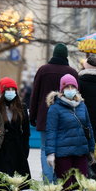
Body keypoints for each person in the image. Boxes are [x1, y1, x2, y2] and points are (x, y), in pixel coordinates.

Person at [29, 43, 78, 183]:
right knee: (62, 149)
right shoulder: (72, 72)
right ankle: (59, 181)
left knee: (45, 148)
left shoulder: (43, 70)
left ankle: (48, 182)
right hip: (67, 117)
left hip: (45, 116)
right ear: (66, 55)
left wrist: (33, 116)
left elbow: (35, 95)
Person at [45, 74, 95, 191]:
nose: (70, 89)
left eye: (73, 86)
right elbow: (51, 131)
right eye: (67, 87)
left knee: (81, 183)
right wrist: (50, 153)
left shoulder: (81, 105)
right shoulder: (55, 108)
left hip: (80, 151)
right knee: (65, 186)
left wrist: (92, 149)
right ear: (62, 89)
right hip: (63, 153)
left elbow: (88, 128)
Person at [0, 77, 31, 191]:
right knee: (3, 185)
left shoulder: (21, 106)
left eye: (13, 89)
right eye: (7, 89)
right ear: (2, 91)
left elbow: (26, 131)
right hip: (2, 150)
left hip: (18, 149)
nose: (10, 92)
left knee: (19, 185)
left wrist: (25, 149)